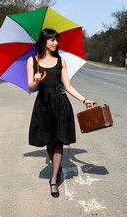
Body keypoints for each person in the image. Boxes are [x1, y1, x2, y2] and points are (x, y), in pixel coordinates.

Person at [27, 28, 94, 198]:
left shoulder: (61, 61)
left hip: (60, 104)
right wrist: (36, 80)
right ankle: (57, 168)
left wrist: (84, 100)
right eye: (52, 40)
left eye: (57, 40)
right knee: (48, 143)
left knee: (58, 142)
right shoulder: (32, 61)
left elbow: (68, 86)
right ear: (44, 41)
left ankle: (53, 179)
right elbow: (30, 87)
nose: (56, 43)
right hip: (43, 105)